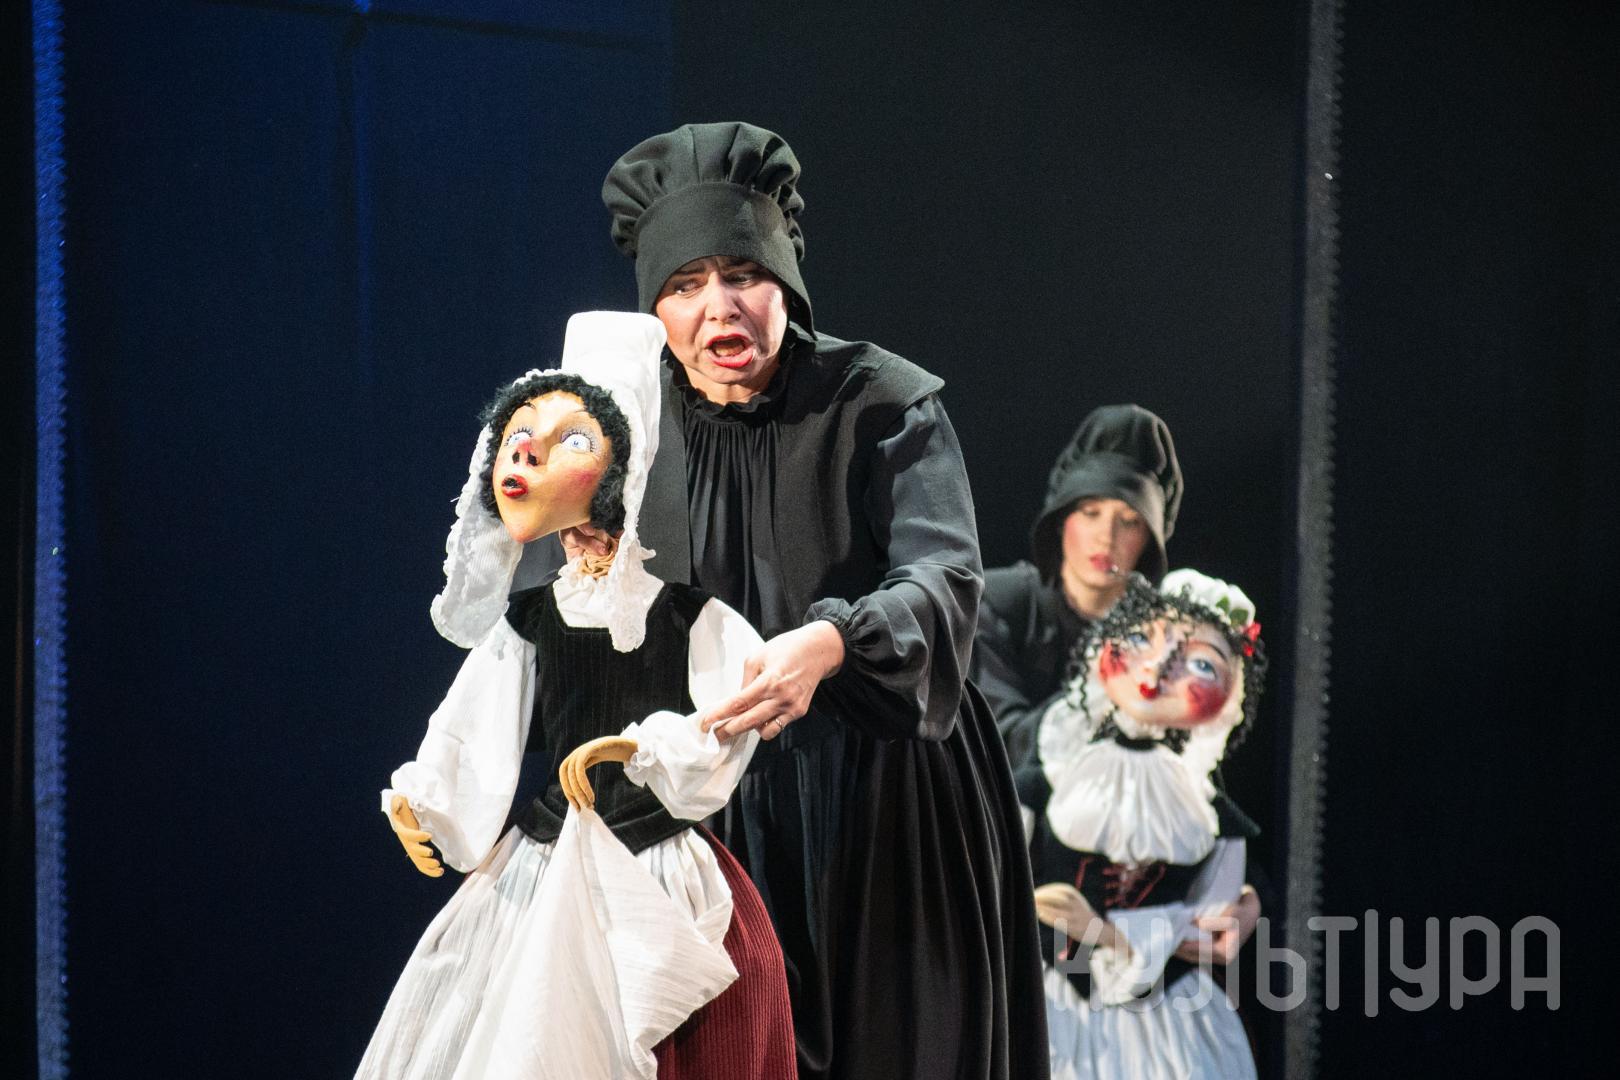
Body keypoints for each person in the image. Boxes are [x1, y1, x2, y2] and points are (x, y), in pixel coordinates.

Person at [553, 121, 1048, 1079]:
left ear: (785, 282)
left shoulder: (880, 403)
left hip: (880, 802)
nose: (719, 306)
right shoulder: (617, 430)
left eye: (743, 274)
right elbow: (554, 617)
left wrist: (830, 644)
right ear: (654, 308)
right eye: (685, 285)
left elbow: (945, 580)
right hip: (702, 813)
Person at [358, 312, 796, 1079]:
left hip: (660, 866)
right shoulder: (531, 623)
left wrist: (643, 748)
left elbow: (732, 718)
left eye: (573, 440)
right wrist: (428, 798)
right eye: (521, 435)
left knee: (681, 1026)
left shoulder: (688, 618)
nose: (526, 453)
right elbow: (474, 726)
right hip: (547, 862)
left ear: (625, 473)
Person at [1019, 569, 1267, 1080]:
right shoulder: (1050, 779)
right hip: (1049, 1004)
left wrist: (1105, 932)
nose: (1158, 668)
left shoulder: (1210, 815)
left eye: (1200, 663)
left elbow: (1213, 929)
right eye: (1140, 639)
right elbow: (988, 882)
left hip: (1166, 1019)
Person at [970, 404, 1183, 769]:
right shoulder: (997, 604)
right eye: (1090, 512)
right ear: (1061, 518)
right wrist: (1107, 688)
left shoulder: (1163, 637)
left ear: (1150, 539)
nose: (1106, 537)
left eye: (1129, 521)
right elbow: (999, 743)